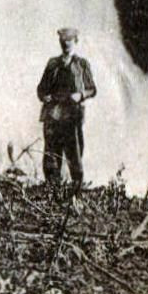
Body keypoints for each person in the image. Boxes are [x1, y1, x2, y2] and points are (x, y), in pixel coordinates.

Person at [36, 27, 97, 188]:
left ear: (75, 42)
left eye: (69, 40)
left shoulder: (81, 64)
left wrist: (81, 95)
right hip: (53, 113)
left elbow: (92, 89)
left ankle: (76, 189)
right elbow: (41, 88)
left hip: (72, 114)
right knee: (51, 153)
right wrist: (44, 96)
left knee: (74, 153)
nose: (66, 44)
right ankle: (52, 189)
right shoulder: (53, 64)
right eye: (63, 41)